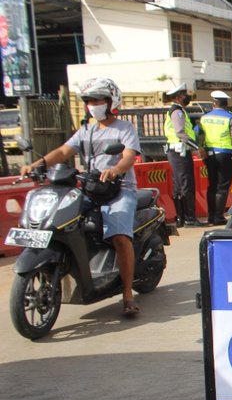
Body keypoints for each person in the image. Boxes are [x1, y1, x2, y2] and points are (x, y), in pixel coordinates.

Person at [20, 77, 142, 317]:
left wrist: (116, 169)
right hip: (90, 188)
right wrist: (37, 164)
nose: (94, 105)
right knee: (61, 221)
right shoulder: (86, 130)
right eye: (90, 101)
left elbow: (129, 156)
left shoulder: (125, 128)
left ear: (111, 101)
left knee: (120, 237)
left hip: (120, 189)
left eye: (98, 100)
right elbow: (63, 151)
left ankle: (127, 295)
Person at [198, 90, 232, 226]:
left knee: (212, 185)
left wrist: (201, 149)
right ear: (226, 104)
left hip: (209, 154)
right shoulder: (230, 117)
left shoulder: (204, 117)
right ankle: (218, 217)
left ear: (214, 103)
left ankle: (211, 217)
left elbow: (199, 135)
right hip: (224, 154)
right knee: (222, 186)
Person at [163, 83, 200, 227]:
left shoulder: (177, 110)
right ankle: (189, 218)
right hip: (180, 151)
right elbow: (180, 133)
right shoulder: (177, 111)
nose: (187, 97)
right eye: (185, 95)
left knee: (179, 185)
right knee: (186, 184)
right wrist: (197, 148)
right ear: (178, 97)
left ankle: (181, 218)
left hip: (176, 152)